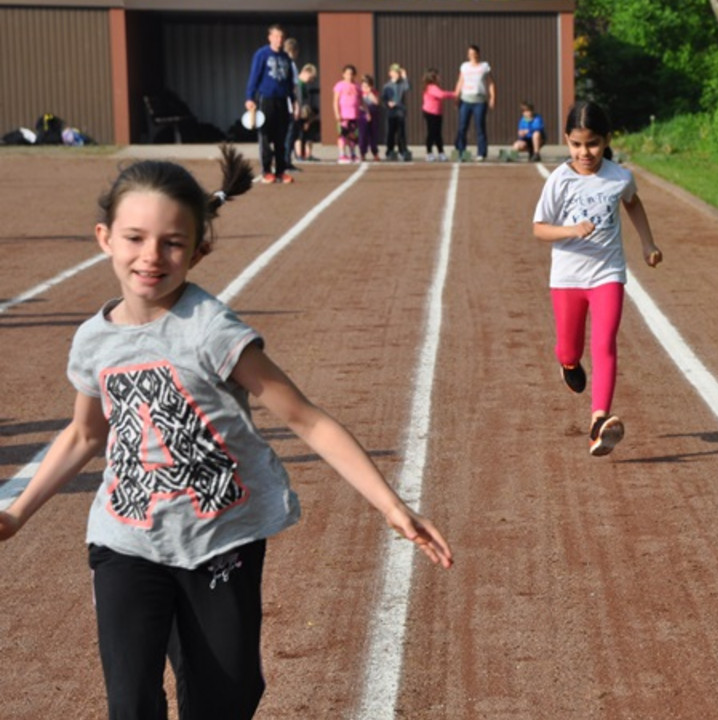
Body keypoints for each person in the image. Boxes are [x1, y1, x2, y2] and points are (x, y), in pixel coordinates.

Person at [0, 146, 452, 719]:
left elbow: (305, 418)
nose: (151, 256)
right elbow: (84, 435)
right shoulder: (93, 340)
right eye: (135, 238)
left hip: (219, 540)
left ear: (198, 248)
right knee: (130, 702)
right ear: (104, 238)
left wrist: (391, 505)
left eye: (171, 242)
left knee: (224, 698)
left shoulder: (210, 330)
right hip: (126, 540)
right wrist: (16, 513)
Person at [532, 102, 663, 457]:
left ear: (606, 141)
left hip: (607, 274)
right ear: (566, 141)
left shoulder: (619, 177)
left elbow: (632, 203)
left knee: (604, 342)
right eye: (576, 144)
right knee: (569, 349)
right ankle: (569, 364)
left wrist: (647, 242)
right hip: (567, 278)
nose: (583, 152)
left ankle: (599, 420)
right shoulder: (561, 180)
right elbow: (539, 229)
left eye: (591, 144)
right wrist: (570, 230)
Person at [244, 24, 295, 184]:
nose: (279, 40)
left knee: (281, 137)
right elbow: (254, 76)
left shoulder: (286, 57)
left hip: (282, 100)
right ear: (270, 37)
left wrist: (294, 102)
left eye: (281, 37)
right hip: (266, 99)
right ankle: (267, 171)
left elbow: (289, 82)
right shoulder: (262, 54)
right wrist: (250, 97)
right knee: (265, 136)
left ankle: (281, 171)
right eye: (276, 36)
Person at [453, 44, 495, 161]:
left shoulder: (484, 66)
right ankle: (461, 151)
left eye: (473, 53)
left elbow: (490, 82)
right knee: (462, 127)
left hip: (480, 101)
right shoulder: (464, 66)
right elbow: (460, 82)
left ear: (477, 53)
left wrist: (492, 97)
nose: (471, 55)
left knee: (480, 127)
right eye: (469, 53)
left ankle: (481, 153)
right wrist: (456, 96)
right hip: (465, 100)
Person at [421, 68, 456, 162]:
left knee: (438, 134)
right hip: (430, 113)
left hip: (437, 113)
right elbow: (441, 95)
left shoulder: (434, 86)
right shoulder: (431, 87)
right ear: (433, 77)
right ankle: (429, 153)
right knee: (431, 133)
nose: (439, 77)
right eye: (437, 76)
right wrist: (454, 94)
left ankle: (441, 152)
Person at [381, 63, 411, 162]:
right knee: (391, 133)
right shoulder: (386, 86)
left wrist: (405, 77)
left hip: (400, 112)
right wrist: (388, 103)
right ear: (390, 73)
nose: (396, 74)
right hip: (391, 113)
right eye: (394, 72)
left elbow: (408, 88)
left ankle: (402, 151)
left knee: (401, 133)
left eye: (398, 72)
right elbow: (383, 99)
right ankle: (390, 151)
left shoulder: (402, 84)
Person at [333, 64, 360, 164]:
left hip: (354, 115)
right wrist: (337, 114)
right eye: (347, 74)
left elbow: (360, 100)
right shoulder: (339, 85)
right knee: (343, 135)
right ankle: (342, 155)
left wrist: (365, 111)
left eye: (352, 74)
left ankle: (353, 154)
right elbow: (335, 101)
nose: (350, 76)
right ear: (343, 74)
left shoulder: (357, 86)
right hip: (344, 116)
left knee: (353, 136)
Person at [282, 37, 302, 172]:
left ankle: (284, 160)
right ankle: (285, 161)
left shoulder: (284, 63)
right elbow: (293, 87)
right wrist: (297, 105)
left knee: (287, 133)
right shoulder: (291, 65)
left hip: (284, 102)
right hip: (289, 103)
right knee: (289, 133)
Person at [294, 63, 320, 162]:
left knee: (308, 134)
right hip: (299, 112)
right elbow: (299, 99)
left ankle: (307, 154)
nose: (311, 81)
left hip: (305, 111)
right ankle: (299, 154)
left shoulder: (304, 85)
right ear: (305, 72)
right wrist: (299, 110)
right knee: (299, 134)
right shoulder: (298, 83)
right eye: (311, 77)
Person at [358, 74, 381, 162]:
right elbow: (360, 104)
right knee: (363, 135)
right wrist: (366, 113)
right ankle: (362, 153)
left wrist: (370, 92)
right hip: (363, 114)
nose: (364, 87)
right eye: (363, 85)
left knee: (373, 135)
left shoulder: (374, 92)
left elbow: (376, 102)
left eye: (367, 86)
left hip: (374, 114)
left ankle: (375, 153)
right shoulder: (360, 93)